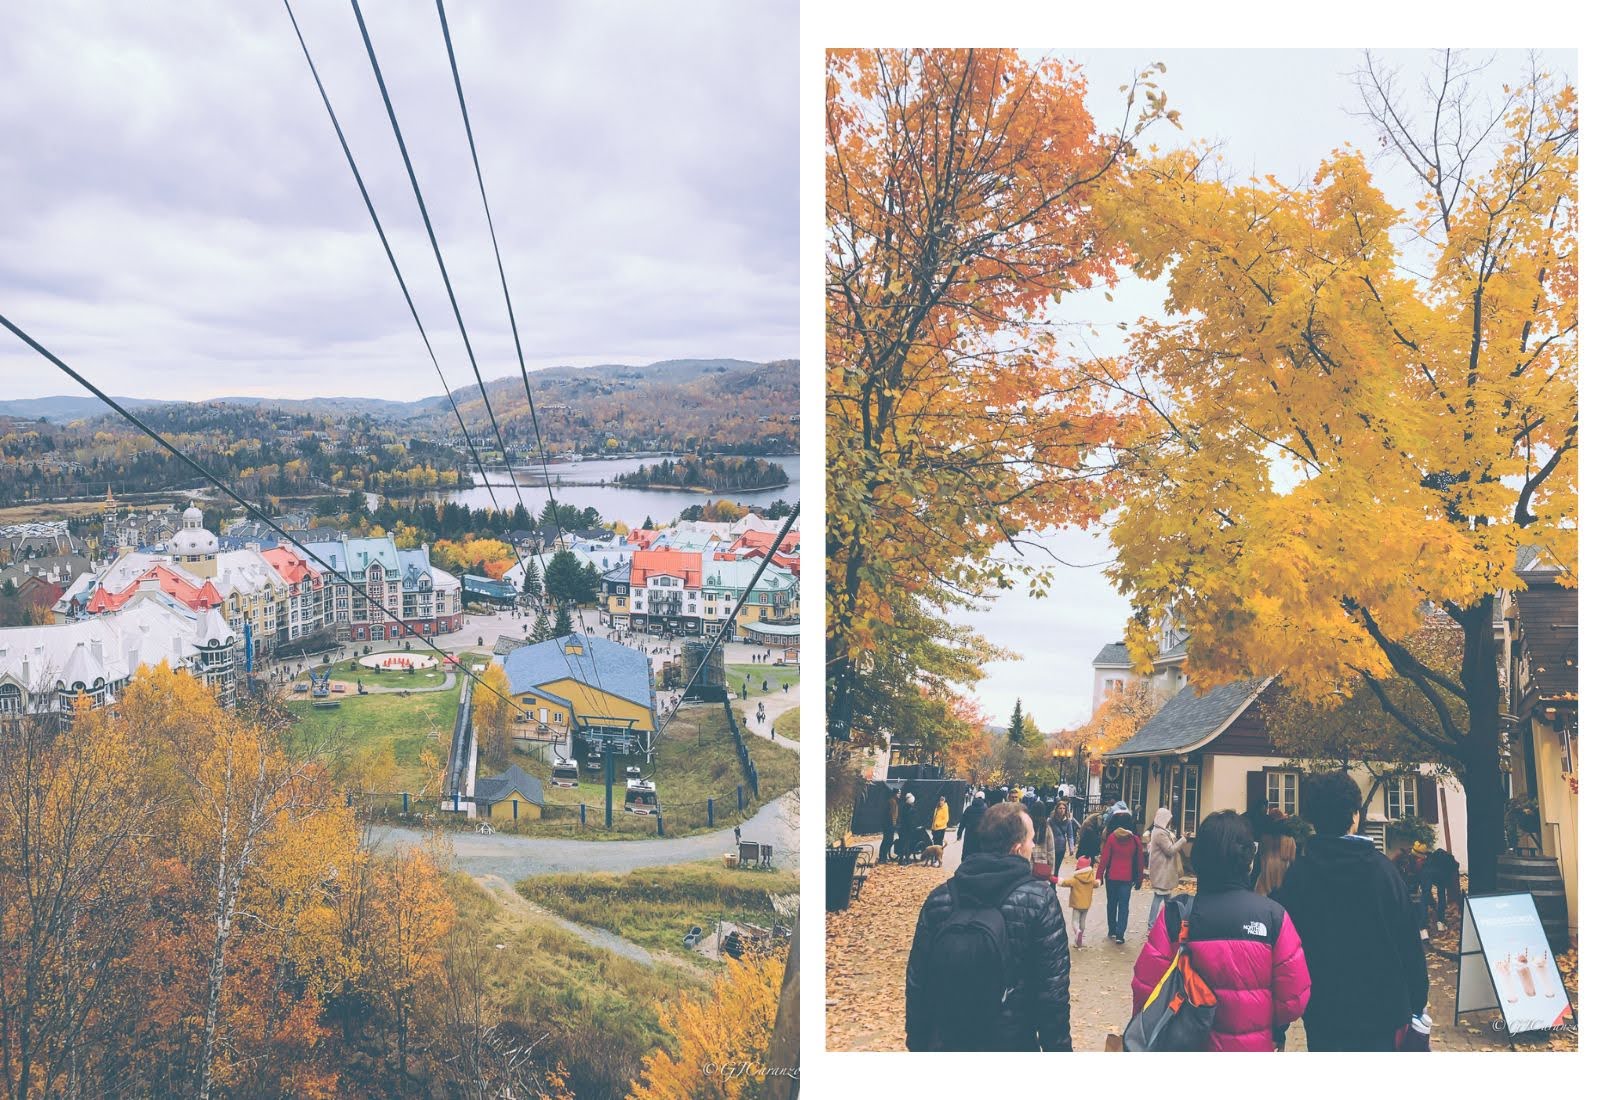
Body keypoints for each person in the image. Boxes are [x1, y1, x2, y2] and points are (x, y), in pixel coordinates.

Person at [1272, 770, 1429, 1051]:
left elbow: (1286, 951)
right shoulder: (1383, 872)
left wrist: (1280, 1021)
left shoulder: (1300, 876)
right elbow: (1410, 945)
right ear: (1355, 815)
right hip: (1383, 1011)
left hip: (1324, 1011)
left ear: (1311, 819)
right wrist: (1417, 1003)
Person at [1131, 811, 1311, 1051]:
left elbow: (1145, 987)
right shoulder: (1273, 917)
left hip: (1185, 1043)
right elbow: (1294, 998)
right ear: (1248, 859)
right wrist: (1260, 1015)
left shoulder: (1177, 914)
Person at [905, 803, 1072, 1051]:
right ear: (1017, 848)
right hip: (1011, 1041)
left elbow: (917, 980)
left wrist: (918, 1041)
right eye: (1031, 841)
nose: (1032, 846)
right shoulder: (1040, 900)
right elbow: (1052, 993)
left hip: (947, 1040)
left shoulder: (940, 898)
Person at [1096, 810, 1143, 944]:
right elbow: (1140, 861)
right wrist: (1139, 879)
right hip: (1127, 878)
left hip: (1111, 876)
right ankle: (1120, 934)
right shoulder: (1135, 840)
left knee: (1111, 904)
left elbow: (1104, 859)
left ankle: (1112, 929)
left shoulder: (1112, 838)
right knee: (1124, 905)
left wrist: (1098, 876)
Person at [1144, 807, 1181, 932]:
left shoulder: (1159, 830)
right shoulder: (1160, 833)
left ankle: (1168, 922)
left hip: (1162, 870)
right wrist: (1183, 840)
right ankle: (1152, 925)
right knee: (1159, 897)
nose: (1170, 821)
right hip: (1162, 871)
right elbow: (1170, 851)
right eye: (1168, 819)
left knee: (1166, 898)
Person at [1254, 827, 1298, 897]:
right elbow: (1292, 858)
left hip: (1266, 867)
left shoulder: (1264, 838)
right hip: (1282, 868)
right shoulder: (1290, 840)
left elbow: (1260, 856)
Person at [1066, 855, 1097, 949]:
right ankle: (1080, 938)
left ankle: (1077, 932)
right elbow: (1096, 884)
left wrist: (1055, 879)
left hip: (1077, 903)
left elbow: (1064, 882)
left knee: (1075, 921)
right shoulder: (1091, 879)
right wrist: (1099, 881)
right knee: (1082, 921)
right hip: (1086, 904)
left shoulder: (1075, 879)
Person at [956, 791, 987, 860]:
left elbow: (962, 822)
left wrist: (959, 834)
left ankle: (965, 864)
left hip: (969, 834)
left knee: (967, 850)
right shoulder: (986, 810)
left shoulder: (969, 809)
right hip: (980, 834)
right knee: (978, 852)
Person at [1049, 801, 1073, 879]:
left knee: (1056, 868)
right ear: (1056, 809)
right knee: (1050, 867)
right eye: (1060, 808)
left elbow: (1070, 835)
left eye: (1064, 808)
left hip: (1061, 848)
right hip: (1051, 847)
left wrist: (1071, 848)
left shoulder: (1068, 821)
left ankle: (1053, 885)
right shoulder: (1051, 820)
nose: (1062, 810)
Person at [879, 789, 901, 866]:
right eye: (898, 793)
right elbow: (892, 814)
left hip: (889, 825)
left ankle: (883, 857)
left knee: (887, 840)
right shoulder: (892, 802)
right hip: (889, 825)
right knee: (887, 840)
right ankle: (882, 857)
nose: (899, 795)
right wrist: (893, 825)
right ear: (895, 794)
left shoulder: (893, 801)